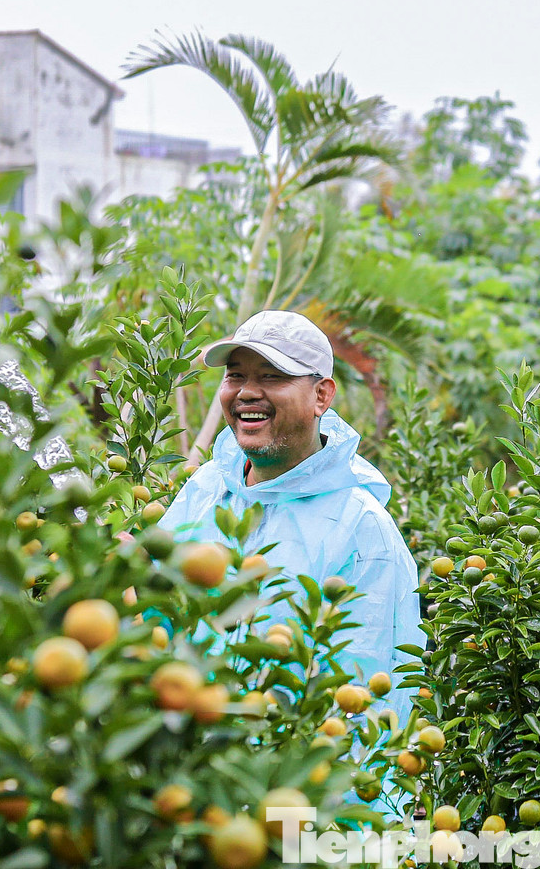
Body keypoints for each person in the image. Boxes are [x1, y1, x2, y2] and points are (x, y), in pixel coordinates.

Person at [157, 310, 424, 814]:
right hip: (184, 789)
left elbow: (365, 702)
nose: (246, 393)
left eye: (272, 377)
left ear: (321, 395)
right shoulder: (206, 490)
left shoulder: (362, 531)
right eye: (236, 375)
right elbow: (154, 615)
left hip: (285, 807)